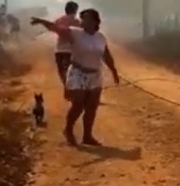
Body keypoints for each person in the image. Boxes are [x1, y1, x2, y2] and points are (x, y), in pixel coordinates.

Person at [30, 8, 120, 146]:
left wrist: (114, 71)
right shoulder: (75, 33)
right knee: (78, 105)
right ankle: (68, 130)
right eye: (82, 18)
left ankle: (87, 136)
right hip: (78, 73)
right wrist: (42, 21)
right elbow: (56, 28)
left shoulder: (101, 37)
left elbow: (106, 55)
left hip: (95, 74)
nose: (82, 21)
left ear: (95, 21)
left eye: (86, 18)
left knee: (91, 107)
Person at [53, 1, 81, 86]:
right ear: (75, 10)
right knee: (74, 71)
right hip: (72, 51)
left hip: (59, 50)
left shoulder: (58, 20)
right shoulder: (77, 21)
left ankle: (66, 86)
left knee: (62, 71)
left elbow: (54, 29)